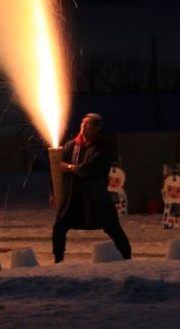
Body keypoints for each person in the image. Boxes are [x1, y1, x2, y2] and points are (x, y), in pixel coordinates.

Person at [52, 113, 132, 263]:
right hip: (73, 198)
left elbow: (91, 168)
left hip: (96, 197)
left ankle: (127, 258)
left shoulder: (102, 148)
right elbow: (58, 172)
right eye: (83, 122)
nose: (84, 125)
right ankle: (58, 261)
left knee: (113, 229)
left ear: (96, 129)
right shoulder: (71, 145)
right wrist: (54, 192)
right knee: (59, 227)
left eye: (88, 123)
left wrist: (70, 167)